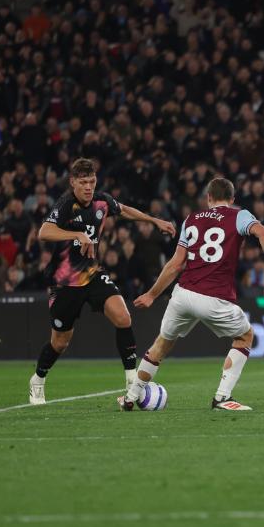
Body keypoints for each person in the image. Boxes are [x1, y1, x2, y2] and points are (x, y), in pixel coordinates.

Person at [127, 178, 264, 411]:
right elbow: (263, 234)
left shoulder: (191, 219)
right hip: (213, 296)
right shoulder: (239, 215)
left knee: (162, 343)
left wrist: (151, 294)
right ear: (232, 199)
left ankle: (131, 396)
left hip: (182, 294)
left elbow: (175, 264)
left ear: (208, 198)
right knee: (245, 337)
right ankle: (222, 397)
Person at [28, 158, 176, 405]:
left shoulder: (102, 201)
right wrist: (76, 233)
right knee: (61, 342)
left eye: (92, 182)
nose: (88, 187)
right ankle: (38, 379)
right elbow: (44, 232)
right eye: (83, 182)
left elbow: (125, 210)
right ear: (73, 183)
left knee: (123, 316)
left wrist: (154, 220)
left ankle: (132, 381)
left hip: (92, 274)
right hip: (64, 282)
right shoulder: (66, 204)